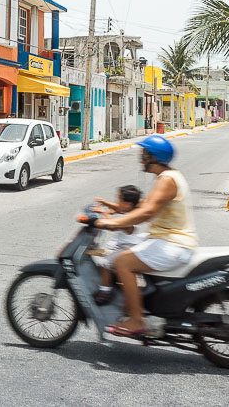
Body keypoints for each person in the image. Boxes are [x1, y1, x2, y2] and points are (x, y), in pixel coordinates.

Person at [94, 134, 197, 338]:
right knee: (127, 254)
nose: (141, 159)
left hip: (173, 243)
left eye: (144, 155)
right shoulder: (167, 176)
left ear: (154, 157)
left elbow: (147, 212)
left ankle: (136, 320)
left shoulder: (167, 180)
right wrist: (114, 210)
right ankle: (132, 303)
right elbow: (142, 206)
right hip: (166, 240)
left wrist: (112, 223)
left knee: (123, 263)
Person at [91, 185, 145, 305]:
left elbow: (112, 226)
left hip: (127, 246)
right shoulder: (133, 211)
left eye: (119, 199)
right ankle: (113, 279)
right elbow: (118, 208)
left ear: (128, 204)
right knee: (102, 252)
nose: (117, 202)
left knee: (105, 262)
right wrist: (105, 203)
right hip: (124, 244)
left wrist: (103, 213)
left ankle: (105, 291)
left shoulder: (129, 218)